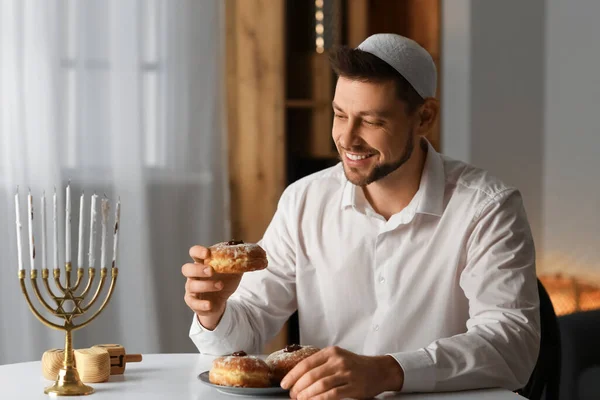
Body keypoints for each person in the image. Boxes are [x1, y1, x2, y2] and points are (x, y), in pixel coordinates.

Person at [182, 33, 540, 399]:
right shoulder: (304, 200)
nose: (346, 138)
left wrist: (388, 371)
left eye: (371, 121)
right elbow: (249, 325)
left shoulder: (487, 207)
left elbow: (512, 346)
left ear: (424, 117)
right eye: (339, 115)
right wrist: (216, 311)